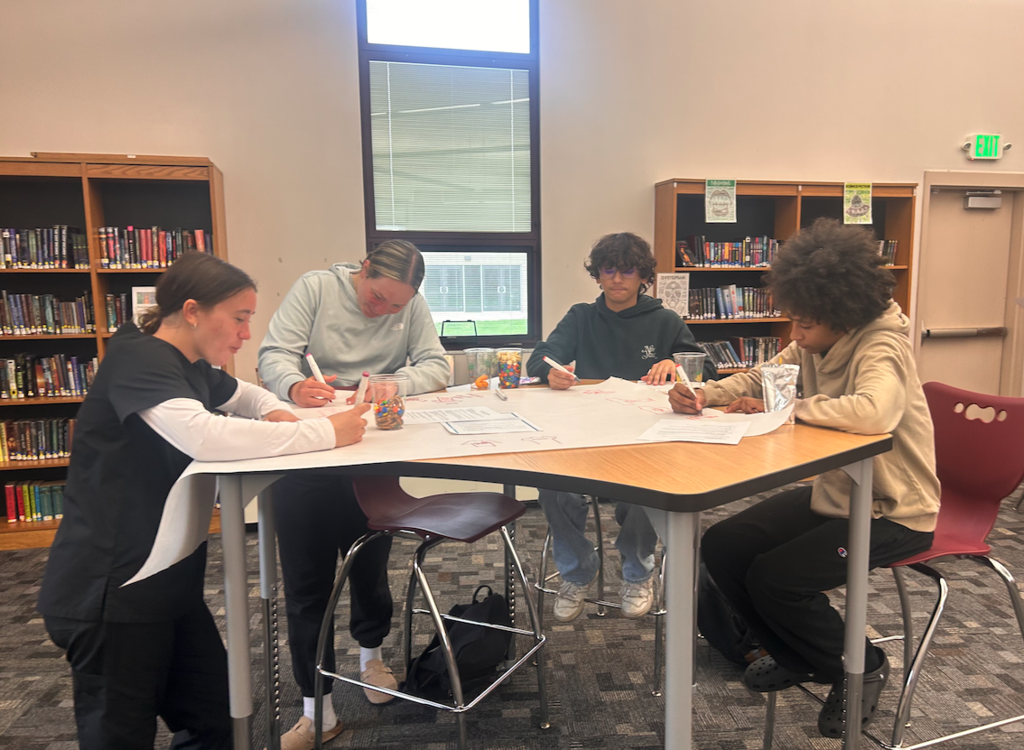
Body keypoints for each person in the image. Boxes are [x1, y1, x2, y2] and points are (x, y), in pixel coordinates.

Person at [37, 252, 370, 750]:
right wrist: (323, 433)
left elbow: (249, 397)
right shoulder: (138, 358)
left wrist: (280, 413)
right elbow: (204, 436)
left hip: (169, 583)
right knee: (120, 734)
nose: (244, 334)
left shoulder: (189, 365)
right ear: (192, 311)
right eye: (239, 318)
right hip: (112, 591)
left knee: (216, 723)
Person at [669, 218, 940, 737]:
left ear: (842, 314)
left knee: (778, 579)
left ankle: (860, 668)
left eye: (805, 325)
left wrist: (789, 408)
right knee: (725, 544)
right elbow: (763, 376)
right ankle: (795, 652)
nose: (795, 335)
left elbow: (874, 412)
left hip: (896, 508)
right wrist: (706, 393)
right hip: (841, 491)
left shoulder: (883, 346)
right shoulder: (815, 339)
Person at [257, 240, 449, 749]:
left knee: (369, 569)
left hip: (369, 453)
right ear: (362, 271)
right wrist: (295, 386)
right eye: (377, 296)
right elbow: (274, 354)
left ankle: (372, 659)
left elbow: (437, 364)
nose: (383, 311)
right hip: (308, 455)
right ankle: (314, 708)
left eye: (395, 306)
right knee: (306, 587)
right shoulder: (315, 288)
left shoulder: (409, 304)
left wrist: (395, 382)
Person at [528, 232, 715, 622]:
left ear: (642, 276)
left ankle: (637, 571)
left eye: (627, 270)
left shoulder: (664, 320)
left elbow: (705, 369)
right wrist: (552, 371)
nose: (616, 278)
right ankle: (577, 569)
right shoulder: (581, 316)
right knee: (551, 487)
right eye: (608, 269)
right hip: (586, 436)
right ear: (597, 275)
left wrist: (675, 366)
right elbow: (540, 358)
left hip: (644, 438)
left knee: (648, 493)